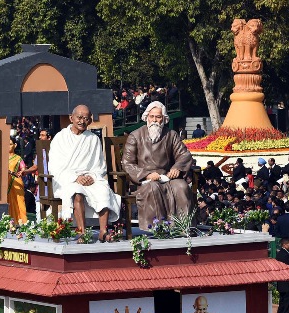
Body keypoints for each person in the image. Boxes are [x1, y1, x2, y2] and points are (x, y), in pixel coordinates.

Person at [48, 104, 121, 240]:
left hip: (90, 178)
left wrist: (91, 176)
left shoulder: (93, 139)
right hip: (67, 179)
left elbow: (100, 165)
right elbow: (55, 166)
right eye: (79, 117)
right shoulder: (60, 138)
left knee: (103, 189)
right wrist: (76, 177)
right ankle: (82, 231)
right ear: (71, 118)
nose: (82, 121)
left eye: (86, 118)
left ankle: (103, 231)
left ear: (90, 120)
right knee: (77, 192)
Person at [122, 101, 193, 230]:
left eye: (158, 117)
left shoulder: (171, 135)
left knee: (181, 186)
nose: (154, 120)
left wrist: (176, 167)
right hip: (144, 181)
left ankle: (183, 227)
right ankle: (158, 228)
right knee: (153, 188)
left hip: (167, 178)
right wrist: (147, 175)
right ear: (146, 117)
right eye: (152, 116)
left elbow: (184, 155)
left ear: (164, 119)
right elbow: (127, 163)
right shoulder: (135, 136)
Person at [7, 136, 29, 224]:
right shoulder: (2, 158)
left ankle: (23, 222)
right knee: (8, 202)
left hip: (16, 182)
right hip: (6, 183)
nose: (8, 146)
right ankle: (10, 222)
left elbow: (23, 168)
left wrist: (22, 171)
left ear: (15, 145)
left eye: (10, 144)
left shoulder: (18, 158)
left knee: (19, 202)